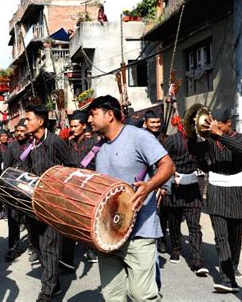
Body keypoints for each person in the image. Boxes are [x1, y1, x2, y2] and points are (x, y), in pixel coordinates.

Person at [87, 96, 174, 301]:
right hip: (108, 234)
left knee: (142, 295)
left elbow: (168, 165)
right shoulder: (99, 148)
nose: (89, 120)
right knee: (113, 296)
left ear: (110, 115)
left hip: (139, 231)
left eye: (93, 114)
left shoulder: (138, 136)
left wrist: (149, 186)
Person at [22, 105, 77, 302]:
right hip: (32, 203)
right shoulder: (31, 143)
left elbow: (73, 166)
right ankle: (54, 282)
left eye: (28, 119)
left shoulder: (55, 141)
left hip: (52, 204)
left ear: (41, 121)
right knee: (37, 245)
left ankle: (47, 292)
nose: (25, 123)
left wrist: (59, 186)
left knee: (50, 246)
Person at [192, 108, 242, 292]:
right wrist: (191, 132)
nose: (213, 126)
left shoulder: (241, 138)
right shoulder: (209, 141)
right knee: (221, 237)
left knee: (235, 236)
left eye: (218, 124)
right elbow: (193, 149)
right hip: (216, 193)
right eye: (211, 123)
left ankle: (232, 267)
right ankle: (228, 280)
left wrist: (219, 135)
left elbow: (240, 149)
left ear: (228, 123)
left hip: (237, 194)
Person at [163, 129, 208, 276]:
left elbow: (204, 163)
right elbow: (162, 160)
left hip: (193, 188)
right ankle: (176, 248)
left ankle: (198, 261)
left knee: (194, 225)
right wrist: (170, 174)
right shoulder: (171, 141)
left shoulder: (200, 142)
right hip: (175, 185)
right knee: (174, 221)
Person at [59, 111, 99, 272]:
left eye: (76, 126)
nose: (73, 129)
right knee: (68, 223)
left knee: (87, 221)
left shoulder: (94, 145)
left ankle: (91, 249)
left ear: (84, 126)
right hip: (70, 188)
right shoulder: (67, 145)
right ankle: (67, 259)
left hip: (89, 188)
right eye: (71, 126)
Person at [2, 118, 30, 262]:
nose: (19, 133)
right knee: (13, 220)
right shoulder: (11, 147)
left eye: (22, 131)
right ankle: (13, 247)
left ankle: (33, 245)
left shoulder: (33, 144)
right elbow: (6, 167)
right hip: (14, 189)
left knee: (30, 219)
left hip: (30, 188)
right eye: (17, 131)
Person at [143, 109, 169, 254]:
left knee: (161, 213)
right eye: (152, 122)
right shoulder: (142, 138)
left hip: (160, 183)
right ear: (145, 123)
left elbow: (168, 164)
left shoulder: (163, 138)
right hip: (146, 183)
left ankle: (161, 240)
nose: (156, 125)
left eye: (158, 122)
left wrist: (165, 186)